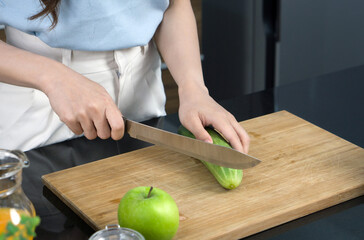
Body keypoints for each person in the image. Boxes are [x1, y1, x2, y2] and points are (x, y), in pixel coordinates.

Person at [0, 0, 250, 153]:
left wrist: (193, 88)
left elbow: (173, 3)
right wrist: (52, 78)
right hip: (39, 94)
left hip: (142, 89)